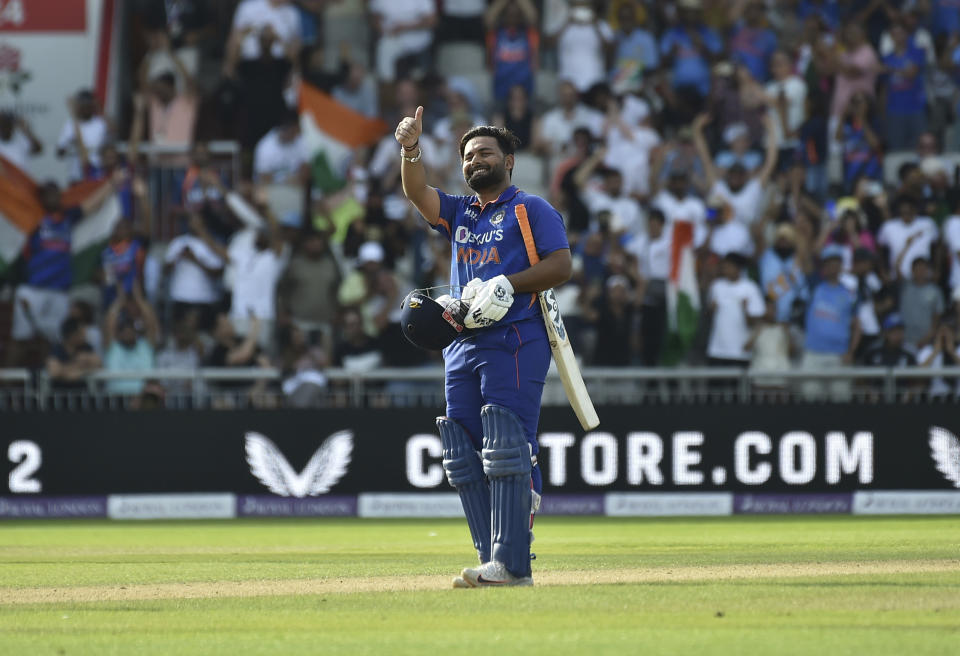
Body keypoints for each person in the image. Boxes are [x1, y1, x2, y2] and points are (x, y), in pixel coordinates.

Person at [396, 107, 571, 587]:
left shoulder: (530, 209)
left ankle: (513, 564)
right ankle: (492, 559)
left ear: (509, 161)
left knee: (507, 446)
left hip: (515, 337)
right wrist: (411, 150)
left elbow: (560, 266)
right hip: (461, 344)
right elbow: (417, 193)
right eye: (469, 156)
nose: (476, 161)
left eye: (486, 153)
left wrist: (508, 285)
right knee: (464, 452)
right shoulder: (460, 213)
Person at [801, 244, 861, 401]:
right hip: (813, 353)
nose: (832, 266)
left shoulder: (850, 293)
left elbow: (857, 326)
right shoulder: (813, 286)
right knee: (810, 397)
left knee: (841, 400)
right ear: (823, 266)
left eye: (836, 262)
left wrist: (850, 352)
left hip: (839, 354)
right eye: (828, 262)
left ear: (841, 265)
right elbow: (806, 258)